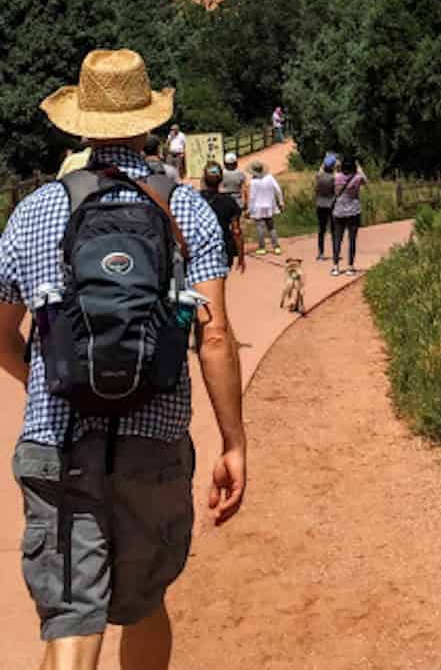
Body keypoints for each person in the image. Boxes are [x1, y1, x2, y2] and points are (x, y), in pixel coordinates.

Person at [0, 48, 245, 670]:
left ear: (79, 122)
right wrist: (232, 442)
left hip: (55, 444)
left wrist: (41, 384)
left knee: (72, 621)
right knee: (143, 605)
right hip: (154, 445)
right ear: (148, 123)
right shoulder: (185, 208)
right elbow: (213, 338)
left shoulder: (33, 211)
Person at [201, 161, 245, 274]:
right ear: (221, 180)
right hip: (223, 248)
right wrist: (241, 255)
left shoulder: (195, 199)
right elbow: (236, 231)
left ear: (204, 179)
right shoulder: (229, 201)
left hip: (200, 250)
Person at [331, 156, 366, 277]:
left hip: (339, 212)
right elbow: (365, 180)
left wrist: (338, 165)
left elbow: (334, 171)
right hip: (353, 212)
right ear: (353, 168)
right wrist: (359, 167)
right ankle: (350, 267)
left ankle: (335, 267)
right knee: (352, 240)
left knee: (337, 239)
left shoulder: (336, 177)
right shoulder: (357, 178)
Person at [248, 160, 283, 257]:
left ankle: (262, 247)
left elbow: (252, 197)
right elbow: (278, 190)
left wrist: (249, 210)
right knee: (271, 227)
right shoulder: (270, 178)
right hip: (269, 206)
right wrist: (281, 202)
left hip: (258, 207)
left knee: (260, 228)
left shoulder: (253, 182)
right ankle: (276, 247)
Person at [314, 153, 338, 261]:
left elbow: (321, 169)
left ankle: (320, 253)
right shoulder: (334, 178)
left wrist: (325, 160)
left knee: (321, 229)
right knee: (333, 230)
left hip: (320, 204)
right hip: (331, 204)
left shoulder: (319, 176)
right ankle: (335, 252)